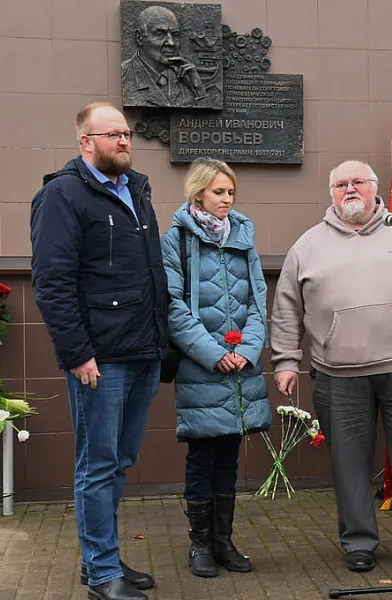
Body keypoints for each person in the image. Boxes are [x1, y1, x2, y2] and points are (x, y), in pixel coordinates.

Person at [270, 160, 392, 579]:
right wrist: (285, 360)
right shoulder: (308, 245)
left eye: (358, 182)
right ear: (331, 193)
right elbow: (286, 309)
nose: (349, 189)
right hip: (337, 373)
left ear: (375, 189)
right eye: (340, 184)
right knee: (349, 464)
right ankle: (358, 543)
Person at [30, 102, 169, 600]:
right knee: (97, 462)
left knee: (120, 459)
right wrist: (76, 353)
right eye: (112, 135)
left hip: (142, 350)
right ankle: (102, 573)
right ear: (85, 142)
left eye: (127, 133)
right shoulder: (61, 196)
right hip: (99, 359)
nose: (124, 141)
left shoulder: (138, 191)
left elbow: (153, 272)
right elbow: (52, 283)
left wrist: (161, 341)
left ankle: (100, 560)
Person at [161, 157, 271, 579]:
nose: (226, 199)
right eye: (218, 192)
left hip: (241, 363)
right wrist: (212, 352)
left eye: (231, 192)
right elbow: (173, 307)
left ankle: (225, 542)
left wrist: (248, 347)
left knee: (229, 453)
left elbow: (257, 301)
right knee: (203, 453)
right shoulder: (176, 240)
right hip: (202, 364)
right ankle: (200, 545)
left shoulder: (243, 235)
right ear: (198, 193)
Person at [121, 5, 206, 108]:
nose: (171, 43)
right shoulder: (125, 76)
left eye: (175, 35)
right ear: (139, 38)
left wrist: (198, 90)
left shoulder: (187, 77)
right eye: (160, 34)